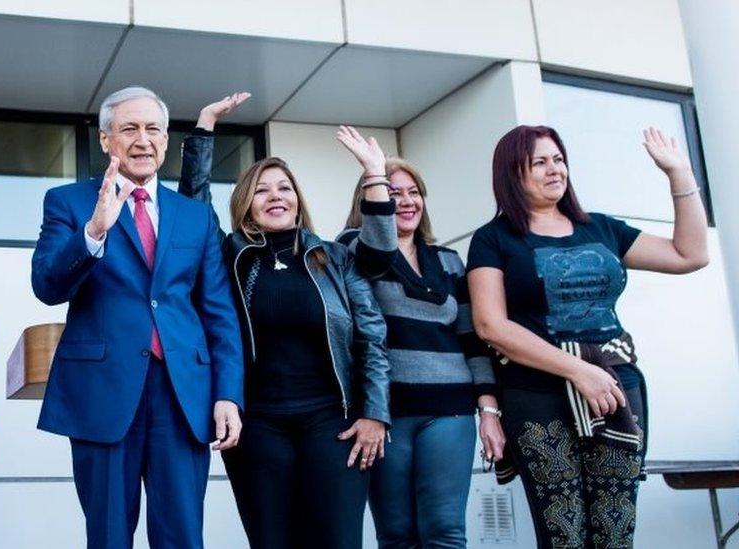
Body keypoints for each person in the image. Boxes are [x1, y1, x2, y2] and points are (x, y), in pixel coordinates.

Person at [467, 125, 708, 548]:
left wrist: (679, 174)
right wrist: (580, 371)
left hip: (615, 390)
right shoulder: (494, 240)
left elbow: (690, 254)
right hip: (537, 395)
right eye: (539, 162)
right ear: (512, 172)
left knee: (616, 530)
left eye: (558, 159)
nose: (554, 169)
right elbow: (492, 326)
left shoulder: (601, 229)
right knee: (564, 534)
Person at [31, 86, 244, 549]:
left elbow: (219, 312)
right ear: (107, 140)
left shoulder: (195, 217)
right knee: (108, 535)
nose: (143, 139)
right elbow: (47, 287)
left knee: (183, 535)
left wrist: (228, 393)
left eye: (153, 129)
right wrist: (93, 232)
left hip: (183, 394)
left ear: (166, 142)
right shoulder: (68, 201)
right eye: (129, 129)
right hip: (103, 394)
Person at [178, 95, 390, 549]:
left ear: (298, 200)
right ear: (246, 204)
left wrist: (375, 412)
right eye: (262, 189)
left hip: (333, 422)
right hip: (258, 424)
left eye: (284, 187)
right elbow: (193, 212)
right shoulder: (230, 256)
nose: (275, 195)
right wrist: (205, 128)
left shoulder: (333, 257)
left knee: (337, 540)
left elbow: (372, 337)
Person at [335, 126, 505, 548]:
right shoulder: (352, 250)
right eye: (393, 193)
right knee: (396, 534)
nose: (405, 201)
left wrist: (489, 411)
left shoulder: (448, 261)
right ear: (370, 199)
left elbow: (473, 339)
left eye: (413, 192)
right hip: (385, 414)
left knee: (445, 529)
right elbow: (377, 252)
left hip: (449, 411)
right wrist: (375, 173)